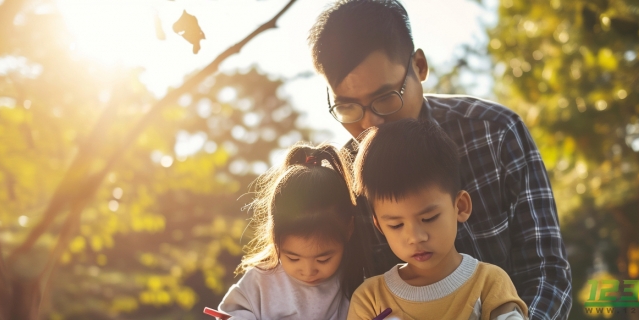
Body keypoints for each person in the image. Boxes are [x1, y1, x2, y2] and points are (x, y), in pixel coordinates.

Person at [308, 1, 572, 318]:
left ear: (419, 66)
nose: (369, 123)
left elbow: (547, 273)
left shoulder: (496, 133)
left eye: (385, 98)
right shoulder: (345, 178)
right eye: (348, 107)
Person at [348, 119, 528, 320]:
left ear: (460, 206)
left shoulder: (490, 283)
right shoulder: (371, 298)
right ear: (379, 225)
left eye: (429, 218)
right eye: (396, 225)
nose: (415, 237)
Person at [217, 144, 372, 320]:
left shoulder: (357, 279)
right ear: (275, 238)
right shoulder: (261, 280)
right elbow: (231, 313)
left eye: (323, 259)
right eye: (293, 258)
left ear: (349, 229)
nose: (308, 271)